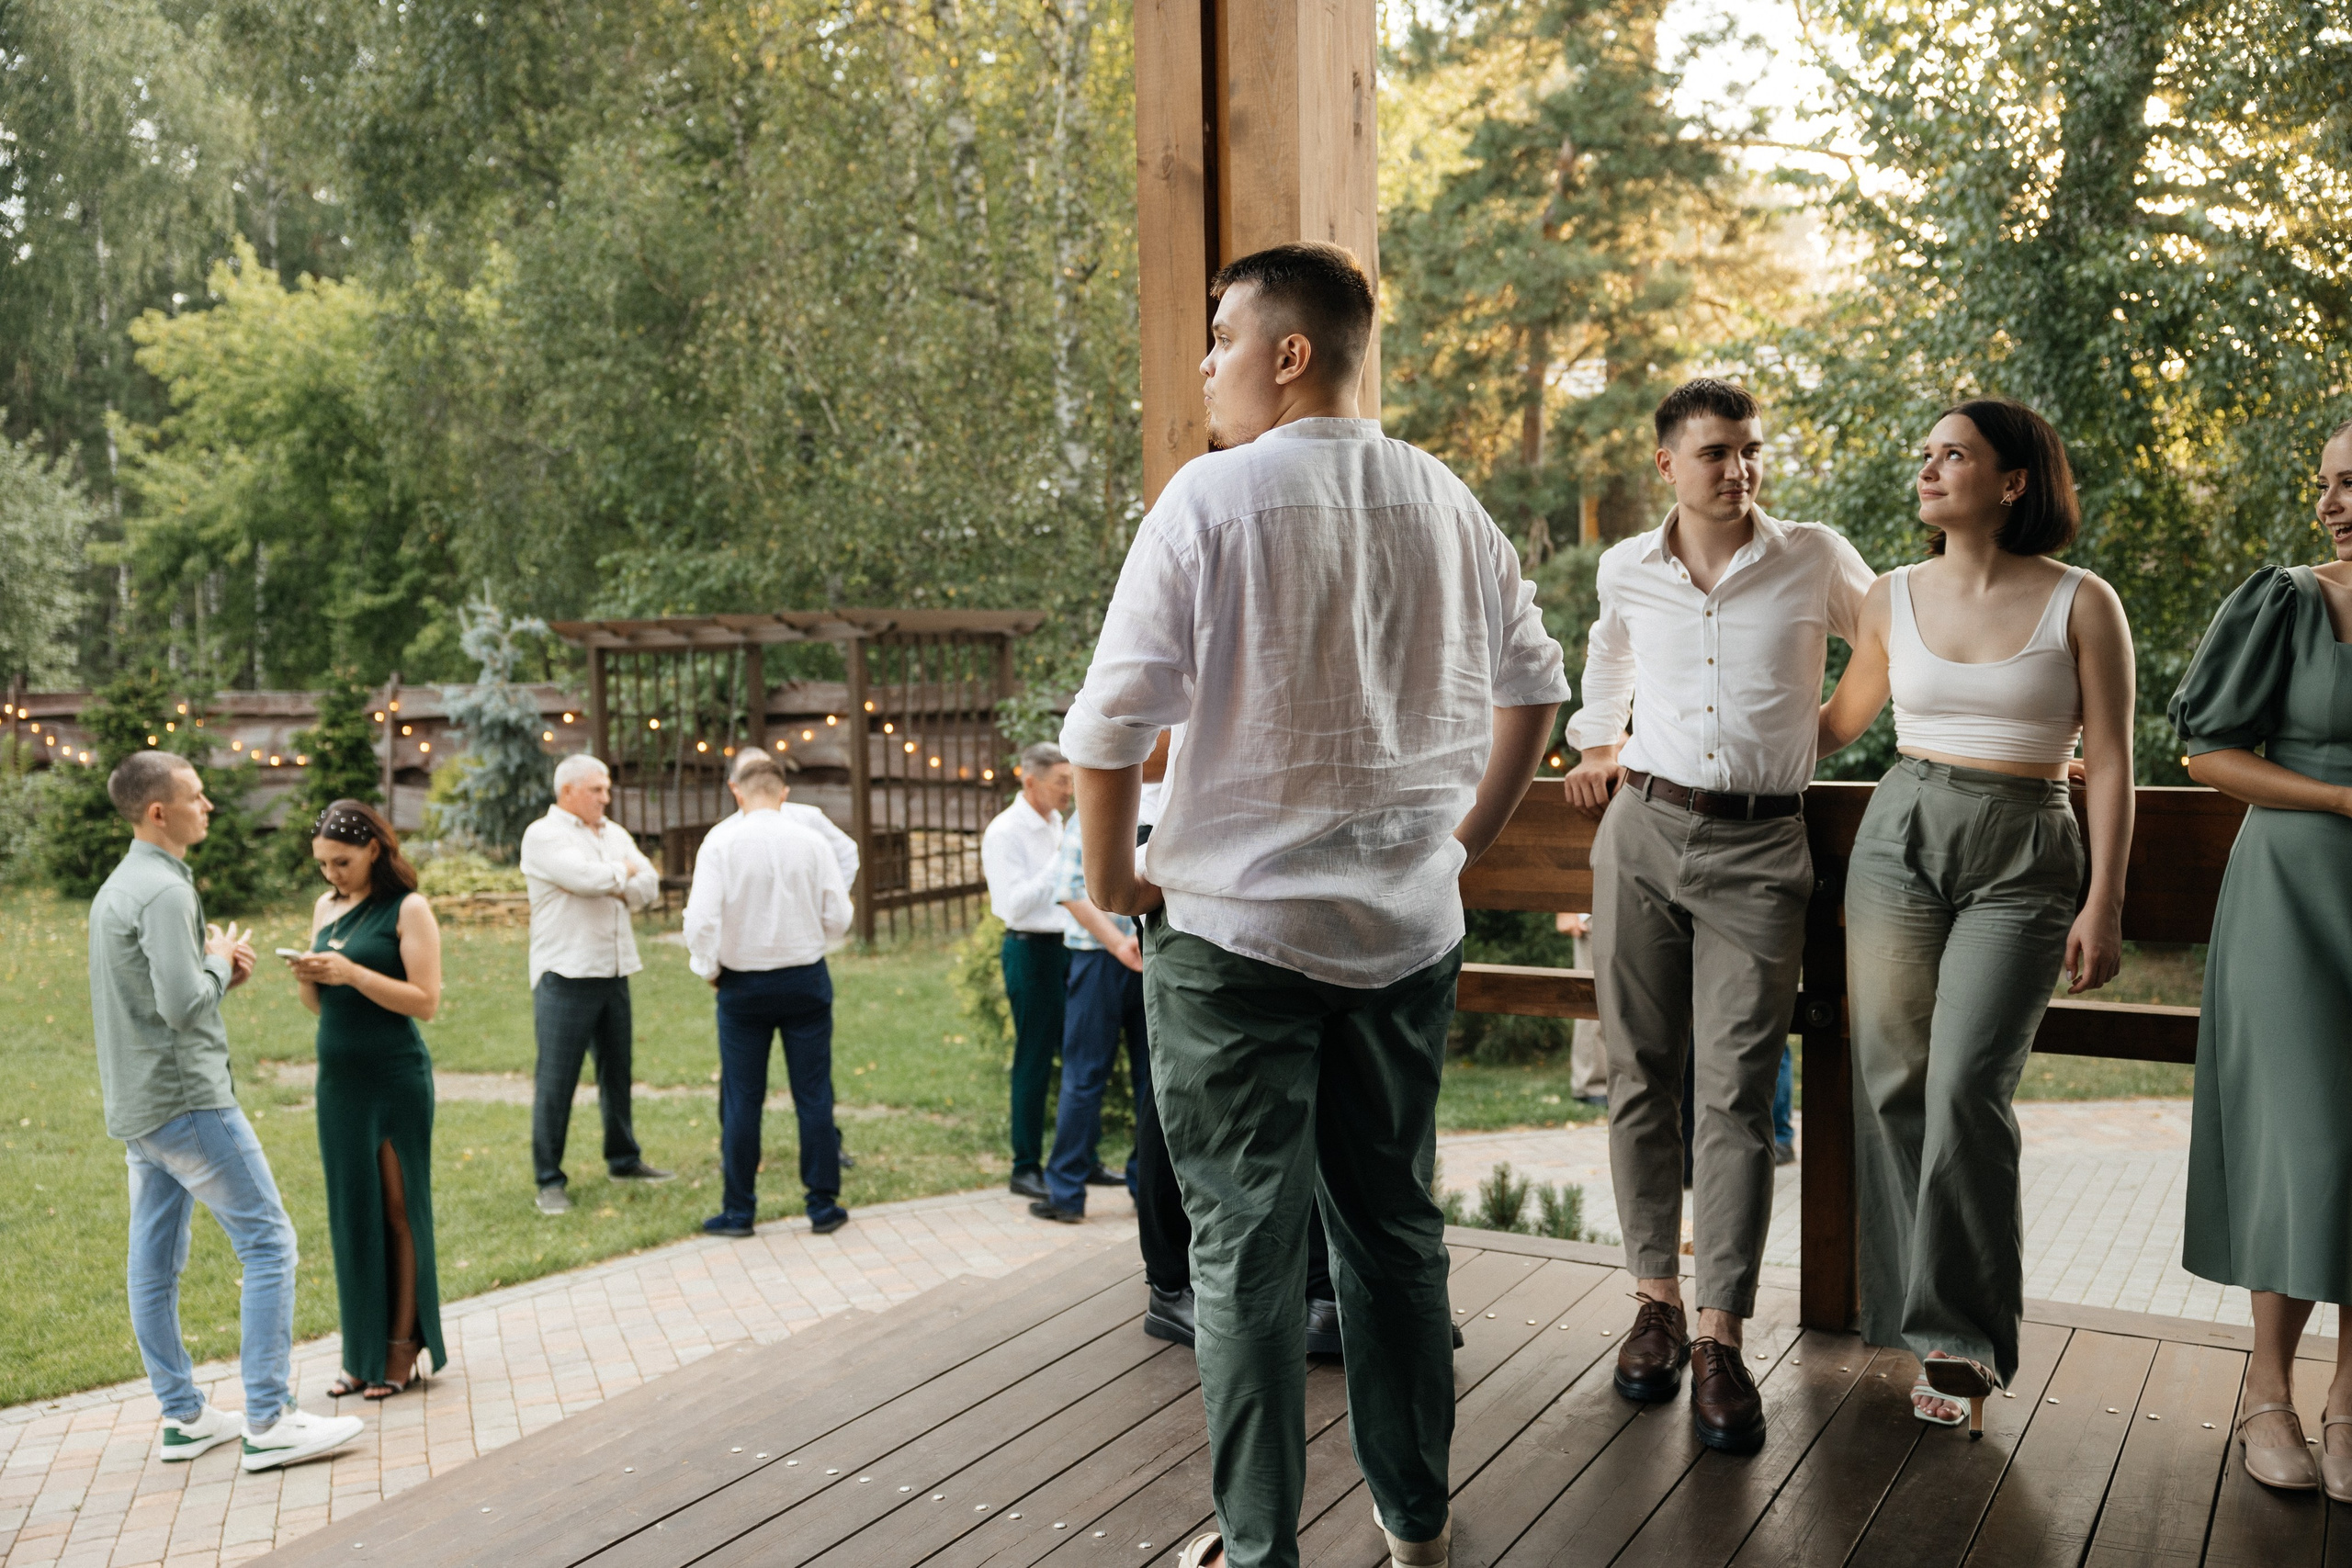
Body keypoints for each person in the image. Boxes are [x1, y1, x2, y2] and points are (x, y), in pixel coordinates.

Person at [1063, 241, 1568, 1568]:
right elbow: (1537, 685)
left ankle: (1259, 1551)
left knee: (1244, 1251)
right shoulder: (1446, 497)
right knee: (1394, 1231)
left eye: (1222, 336)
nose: (1205, 364)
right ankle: (1417, 1526)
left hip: (1233, 940)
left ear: (1289, 353)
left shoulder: (1211, 498)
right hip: (1404, 931)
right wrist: (1459, 845)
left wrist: (1112, 883)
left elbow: (1106, 728)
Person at [1562, 378, 1874, 1455]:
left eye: (1750, 450)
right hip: (1641, 831)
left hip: (1761, 847)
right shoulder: (1625, 566)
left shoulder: (1813, 556)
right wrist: (1597, 741)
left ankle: (1718, 1338)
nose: (1738, 469)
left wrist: (1818, 733)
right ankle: (1652, 1303)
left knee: (1735, 1092)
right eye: (1714, 453)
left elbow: (1892, 638)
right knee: (1638, 1074)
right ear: (1667, 465)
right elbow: (1607, 651)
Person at [1818, 398, 2134, 1434]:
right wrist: (1681, 738)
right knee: (1893, 1078)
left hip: (2025, 846)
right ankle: (1925, 1330)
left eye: (1953, 454)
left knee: (1966, 1088)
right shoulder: (1889, 597)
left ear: (2012, 481)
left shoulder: (2083, 602)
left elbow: (2113, 761)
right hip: (1900, 833)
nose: (1929, 468)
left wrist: (2104, 898)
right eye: (1927, 452)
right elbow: (1836, 725)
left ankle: (1966, 1333)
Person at [88, 750, 365, 1471]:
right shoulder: (164, 891)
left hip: (139, 1108)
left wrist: (216, 974)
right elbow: (183, 1005)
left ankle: (184, 1417)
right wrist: (218, 959)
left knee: (153, 1264)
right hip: (188, 1102)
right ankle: (269, 1420)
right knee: (269, 1242)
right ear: (159, 811)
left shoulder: (119, 886)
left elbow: (156, 1000)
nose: (208, 805)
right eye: (196, 795)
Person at [2169, 415, 2352, 1495]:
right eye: (2326, 483)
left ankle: (2349, 1402)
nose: (2332, 505)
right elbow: (2206, 752)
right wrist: (2339, 799)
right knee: (2301, 1137)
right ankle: (2269, 1391)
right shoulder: (2284, 600)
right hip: (2290, 891)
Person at [289, 800, 449, 1401]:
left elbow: (425, 1001)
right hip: (339, 1082)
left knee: (397, 1207)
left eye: (343, 862)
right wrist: (310, 977)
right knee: (351, 1210)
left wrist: (353, 973)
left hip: (393, 1076)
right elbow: (319, 1007)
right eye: (324, 864)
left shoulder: (408, 909)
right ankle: (359, 1352)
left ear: (374, 850)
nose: (332, 874)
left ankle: (402, 1346)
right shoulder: (325, 908)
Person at [684, 751, 855, 1238]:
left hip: (743, 984)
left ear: (738, 792)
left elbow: (700, 920)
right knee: (813, 1094)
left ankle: (739, 1211)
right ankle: (822, 1205)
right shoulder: (811, 841)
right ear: (784, 793)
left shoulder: (721, 842)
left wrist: (708, 968)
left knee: (742, 1098)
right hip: (805, 977)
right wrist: (814, 934)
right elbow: (840, 916)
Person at [518, 753, 673, 1214]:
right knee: (557, 1080)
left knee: (617, 1073)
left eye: (607, 789)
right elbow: (585, 880)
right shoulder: (543, 835)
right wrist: (618, 875)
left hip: (614, 970)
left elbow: (649, 886)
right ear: (568, 791)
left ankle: (623, 1159)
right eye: (597, 790)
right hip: (566, 973)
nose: (606, 798)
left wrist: (615, 879)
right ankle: (549, 1179)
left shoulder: (614, 833)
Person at [1027, 792, 1150, 1224]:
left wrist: (1118, 945)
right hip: (1140, 953)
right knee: (1152, 1082)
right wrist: (1125, 943)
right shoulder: (1166, 802)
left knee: (1086, 1076)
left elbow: (1070, 889)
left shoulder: (1097, 807)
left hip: (1104, 959)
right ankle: (1145, 1192)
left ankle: (1067, 1193)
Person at [981, 741, 1073, 1201]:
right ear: (1030, 780)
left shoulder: (1058, 823)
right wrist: (1064, 861)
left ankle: (1078, 1159)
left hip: (1071, 949)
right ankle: (1025, 1166)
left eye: (1071, 780)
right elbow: (1013, 905)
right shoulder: (1005, 832)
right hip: (1030, 952)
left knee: (1080, 1058)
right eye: (1061, 782)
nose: (1069, 790)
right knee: (1034, 1059)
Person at [1552, 913, 1609, 1107]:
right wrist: (1565, 909)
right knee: (1592, 999)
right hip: (1592, 913)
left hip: (1644, 908)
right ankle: (1593, 1085)